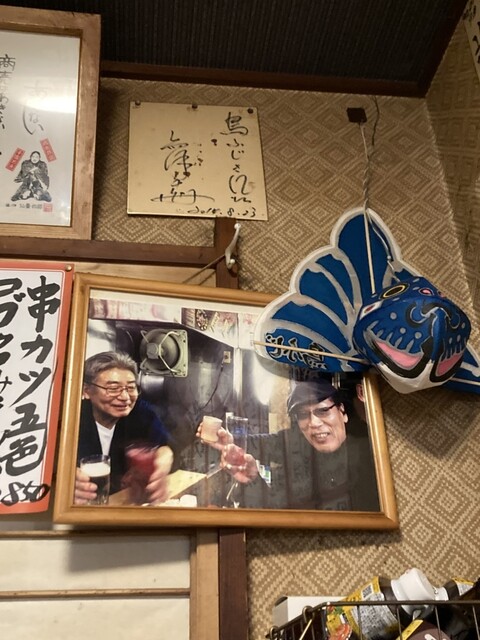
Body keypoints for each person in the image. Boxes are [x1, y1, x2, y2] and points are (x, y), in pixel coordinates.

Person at [199, 379, 380, 511]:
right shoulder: (298, 446)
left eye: (323, 411)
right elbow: (265, 444)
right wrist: (234, 446)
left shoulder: (371, 454)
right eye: (303, 415)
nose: (314, 423)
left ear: (343, 412)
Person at [74, 351, 174, 505]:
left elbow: (165, 446)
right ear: (86, 391)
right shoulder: (72, 419)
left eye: (131, 388)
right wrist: (66, 480)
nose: (125, 398)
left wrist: (162, 465)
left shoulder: (140, 411)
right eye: (113, 388)